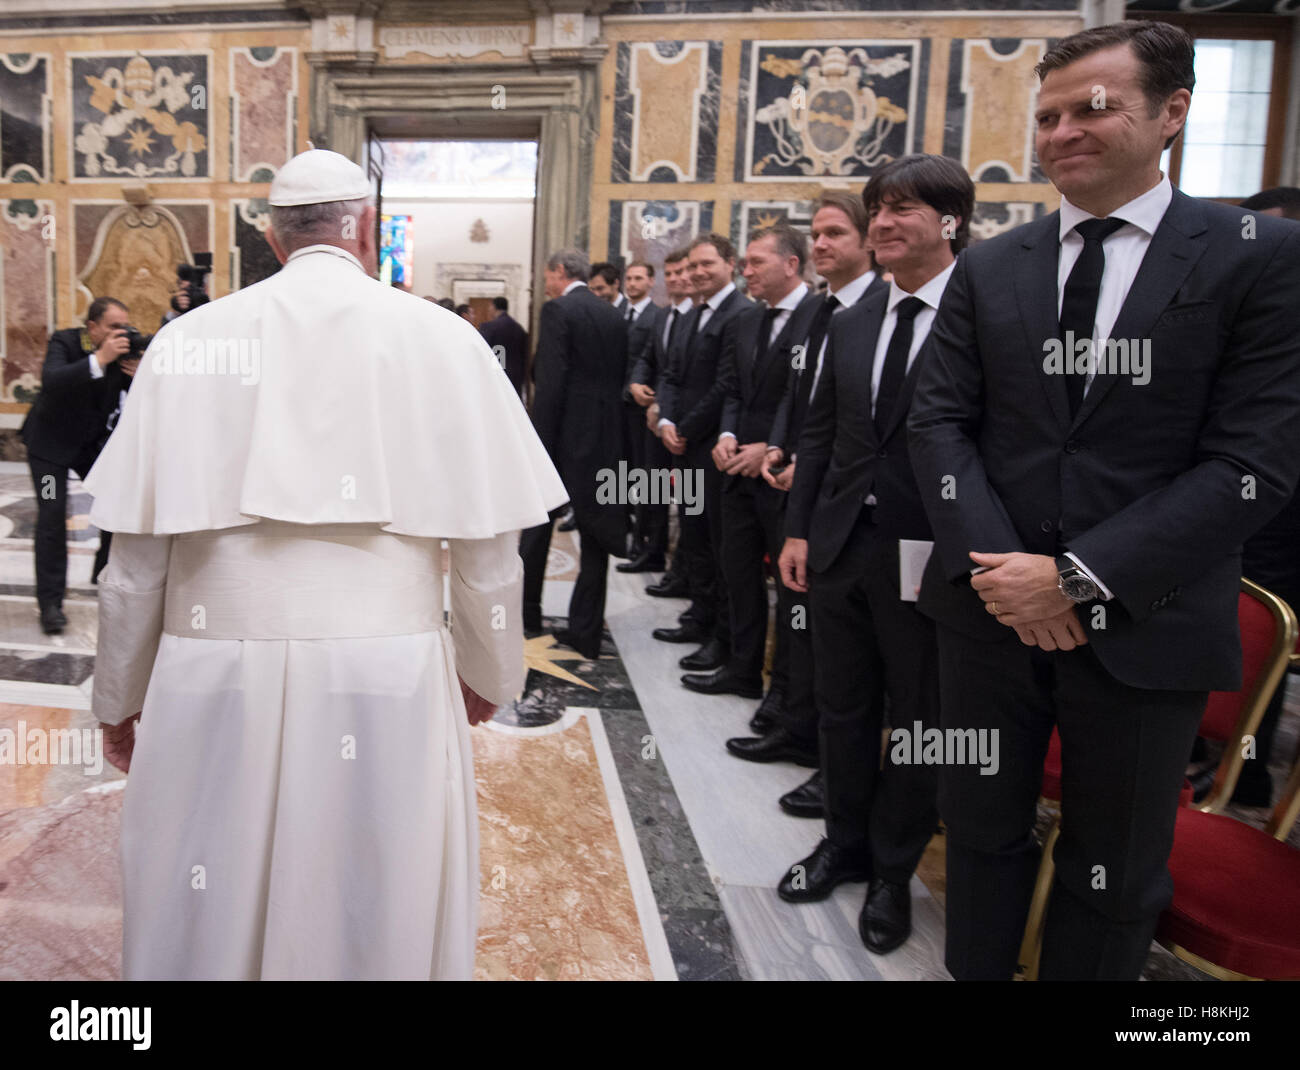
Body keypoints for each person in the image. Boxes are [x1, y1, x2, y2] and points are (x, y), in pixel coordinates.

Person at [86, 148, 566, 981]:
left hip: (211, 668)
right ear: (367, 229)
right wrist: (491, 668)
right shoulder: (446, 340)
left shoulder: (187, 344)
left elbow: (134, 566)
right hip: (389, 669)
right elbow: (492, 555)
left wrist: (120, 698)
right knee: (373, 889)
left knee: (205, 886)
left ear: (272, 240)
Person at [907, 21, 1300, 981]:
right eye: (1046, 116)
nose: (1063, 132)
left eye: (1093, 107)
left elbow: (1253, 461)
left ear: (1172, 113)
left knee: (1112, 874)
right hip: (988, 621)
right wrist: (1009, 577)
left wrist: (1078, 581)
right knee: (981, 835)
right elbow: (938, 426)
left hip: (1147, 624)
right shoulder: (992, 264)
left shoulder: (1258, 257)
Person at [777, 156, 972, 955]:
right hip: (840, 545)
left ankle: (894, 870)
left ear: (952, 220)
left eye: (903, 210)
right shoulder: (850, 318)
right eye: (877, 210)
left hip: (929, 550)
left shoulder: (981, 309)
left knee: (917, 718)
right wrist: (798, 528)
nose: (885, 224)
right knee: (843, 704)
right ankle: (843, 843)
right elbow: (823, 430)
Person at [745, 191, 887, 817]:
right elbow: (797, 396)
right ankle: (794, 723)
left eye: (837, 234)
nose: (823, 244)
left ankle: (833, 770)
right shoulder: (820, 309)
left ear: (868, 242)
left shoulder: (882, 308)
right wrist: (781, 447)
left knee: (848, 662)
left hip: (857, 506)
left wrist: (815, 462)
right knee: (802, 625)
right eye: (818, 234)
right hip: (802, 490)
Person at [697, 225, 820, 715]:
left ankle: (783, 693)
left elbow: (812, 400)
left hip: (780, 475)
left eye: (755, 263)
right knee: (738, 574)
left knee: (790, 596)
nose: (746, 271)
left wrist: (771, 446)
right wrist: (726, 435)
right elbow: (732, 388)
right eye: (744, 263)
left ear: (791, 265)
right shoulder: (748, 320)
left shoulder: (820, 317)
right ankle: (741, 667)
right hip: (735, 469)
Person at [521, 248, 630, 658]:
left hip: (565, 439)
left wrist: (538, 445)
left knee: (536, 528)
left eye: (547, 274)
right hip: (607, 439)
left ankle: (528, 615)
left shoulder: (558, 311)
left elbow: (551, 384)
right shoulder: (613, 314)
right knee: (597, 538)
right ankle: (585, 632)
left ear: (560, 271)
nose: (546, 283)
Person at [653, 234, 753, 673]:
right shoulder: (693, 312)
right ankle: (698, 613)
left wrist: (686, 428)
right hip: (684, 445)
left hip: (712, 447)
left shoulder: (741, 313)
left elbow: (727, 384)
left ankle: (720, 633)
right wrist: (667, 422)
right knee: (693, 536)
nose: (695, 273)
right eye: (691, 266)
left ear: (730, 263)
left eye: (705, 265)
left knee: (717, 546)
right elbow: (672, 374)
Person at [21, 297, 138, 633]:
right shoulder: (67, 341)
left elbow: (145, 396)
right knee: (52, 515)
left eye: (124, 326)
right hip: (48, 450)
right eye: (114, 326)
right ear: (93, 327)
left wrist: (141, 374)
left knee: (115, 504)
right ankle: (50, 605)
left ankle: (102, 572)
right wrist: (100, 358)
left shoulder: (123, 353)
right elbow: (53, 379)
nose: (122, 333)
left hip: (88, 447)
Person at [631, 248, 696, 587]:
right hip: (655, 416)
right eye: (669, 274)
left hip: (686, 421)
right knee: (652, 485)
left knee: (688, 500)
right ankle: (651, 549)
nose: (675, 279)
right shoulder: (662, 315)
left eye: (680, 272)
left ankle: (681, 569)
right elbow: (648, 358)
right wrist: (638, 382)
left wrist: (667, 409)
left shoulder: (697, 315)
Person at [619, 261, 662, 564]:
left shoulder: (656, 316)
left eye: (638, 279)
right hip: (619, 405)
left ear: (650, 282)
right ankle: (626, 529)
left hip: (642, 408)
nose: (632, 284)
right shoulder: (619, 313)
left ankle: (645, 541)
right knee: (623, 472)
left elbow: (654, 360)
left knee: (647, 477)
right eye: (629, 279)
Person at [478, 295, 529, 400]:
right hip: (516, 376)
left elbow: (484, 351)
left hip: (497, 376)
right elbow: (524, 354)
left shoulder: (490, 327)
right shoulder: (518, 328)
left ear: (493, 307)